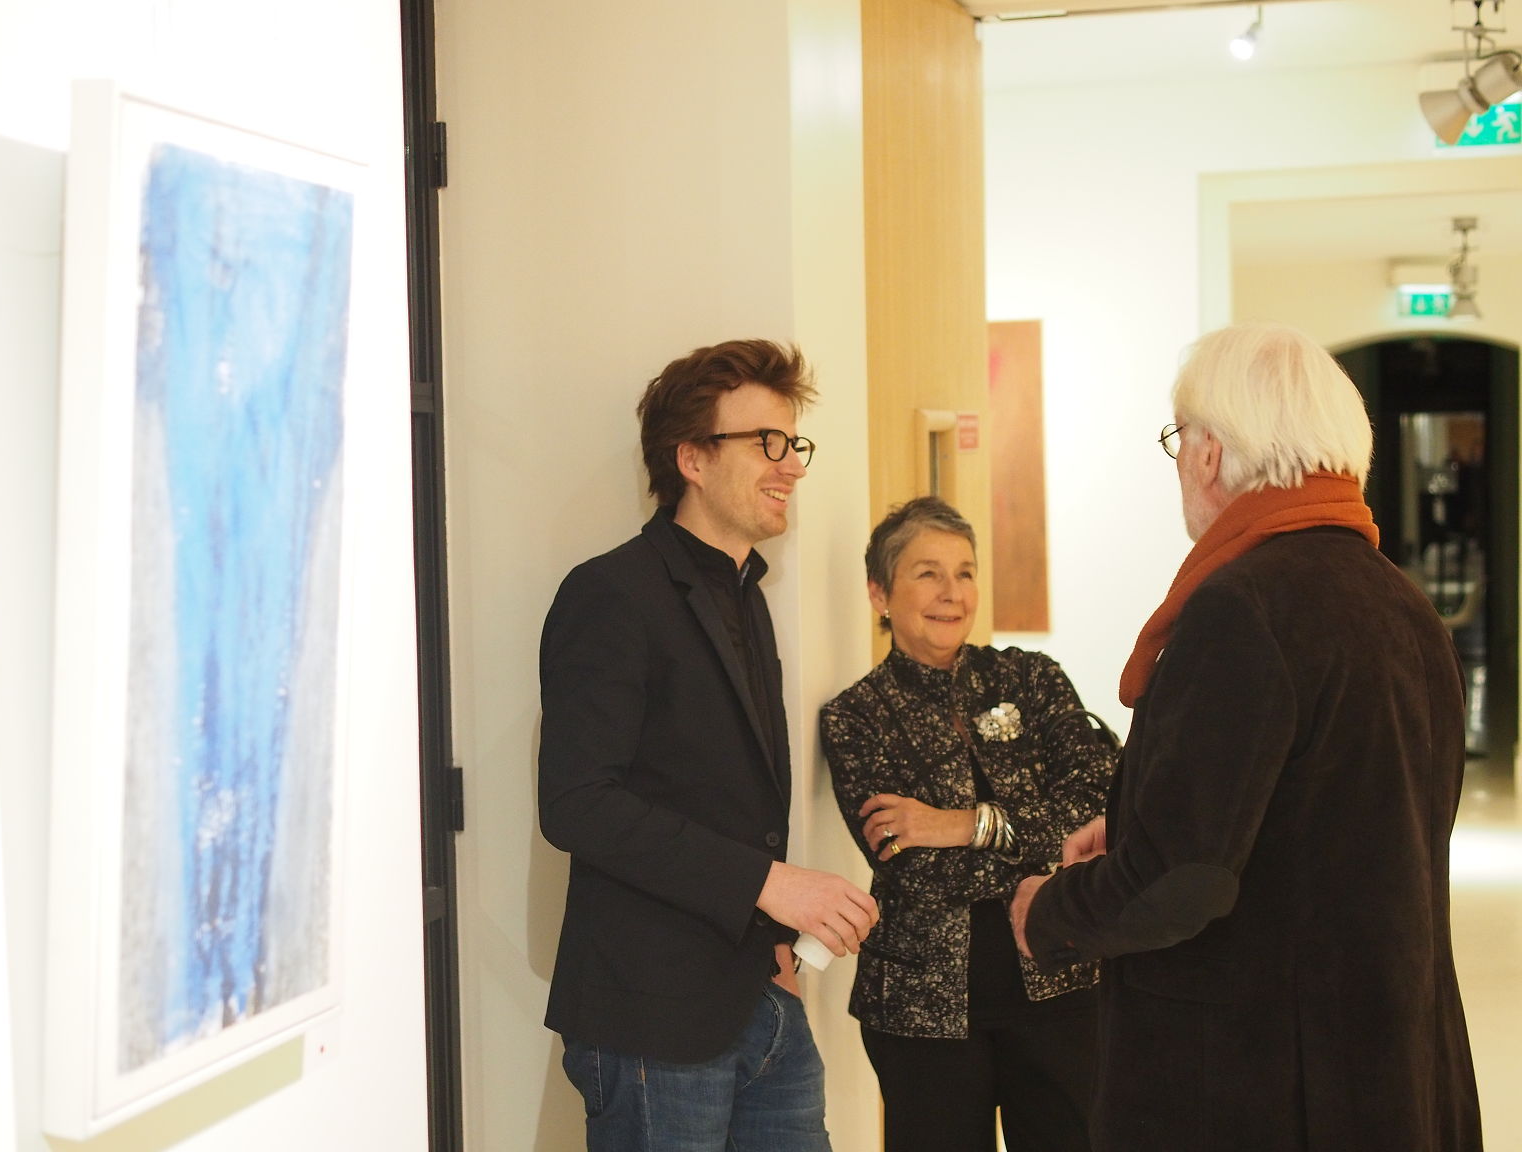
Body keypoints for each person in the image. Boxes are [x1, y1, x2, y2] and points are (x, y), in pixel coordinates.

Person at [1011, 322, 1483, 1151]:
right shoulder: (1403, 606)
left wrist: (1049, 911)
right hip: (1388, 1064)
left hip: (1255, 1088)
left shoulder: (1243, 609)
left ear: (1208, 454)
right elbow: (1331, 828)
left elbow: (1181, 881)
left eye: (1178, 442)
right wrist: (1140, 824)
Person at [538, 338, 878, 1152]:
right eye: (766, 442)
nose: (790, 465)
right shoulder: (610, 593)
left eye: (793, 443)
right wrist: (772, 886)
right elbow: (578, 804)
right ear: (691, 458)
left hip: (760, 998)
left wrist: (772, 945)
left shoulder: (748, 595)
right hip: (652, 1016)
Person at [819, 496, 1117, 1152]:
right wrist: (1039, 844)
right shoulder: (856, 717)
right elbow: (916, 868)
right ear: (879, 593)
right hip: (921, 1012)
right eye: (927, 573)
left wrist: (962, 824)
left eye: (965, 572)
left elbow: (1098, 803)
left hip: (1061, 982)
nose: (951, 593)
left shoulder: (1031, 678)